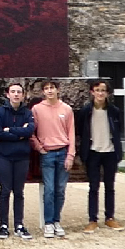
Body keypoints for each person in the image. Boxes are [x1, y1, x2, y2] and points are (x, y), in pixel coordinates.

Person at [76, 80, 124, 234]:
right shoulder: (85, 111)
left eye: (103, 90)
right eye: (97, 90)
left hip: (110, 152)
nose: (100, 93)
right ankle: (92, 220)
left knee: (110, 187)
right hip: (93, 152)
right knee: (93, 187)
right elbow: (80, 130)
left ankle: (110, 217)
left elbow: (119, 129)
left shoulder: (114, 111)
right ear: (92, 92)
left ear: (107, 93)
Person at [31, 80, 75, 239]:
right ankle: (48, 223)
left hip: (62, 152)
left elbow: (71, 133)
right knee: (49, 190)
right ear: (43, 92)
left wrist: (70, 155)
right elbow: (31, 131)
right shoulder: (37, 109)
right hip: (47, 154)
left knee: (60, 190)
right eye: (46, 88)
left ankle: (57, 221)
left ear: (58, 90)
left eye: (52, 88)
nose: (49, 91)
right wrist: (39, 147)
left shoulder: (66, 109)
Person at [0, 82, 35, 240]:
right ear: (7, 94)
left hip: (22, 157)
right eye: (13, 91)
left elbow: (30, 130)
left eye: (19, 92)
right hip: (4, 156)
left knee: (19, 192)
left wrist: (9, 130)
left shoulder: (27, 112)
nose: (16, 94)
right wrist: (19, 134)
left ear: (23, 95)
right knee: (5, 191)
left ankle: (19, 224)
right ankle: (3, 225)